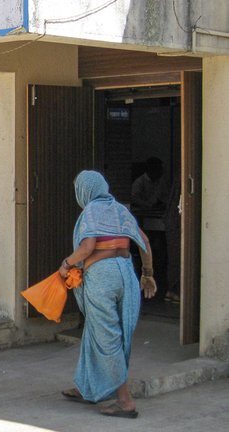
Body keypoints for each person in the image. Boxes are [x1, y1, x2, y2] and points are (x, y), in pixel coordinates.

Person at [60, 170, 157, 419]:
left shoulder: (91, 211)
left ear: (85, 191)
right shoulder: (120, 209)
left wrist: (67, 264)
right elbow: (144, 242)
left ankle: (125, 402)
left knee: (106, 337)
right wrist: (148, 274)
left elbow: (88, 247)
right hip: (126, 272)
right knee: (98, 331)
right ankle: (88, 387)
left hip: (102, 277)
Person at [131, 157, 169, 301]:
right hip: (142, 216)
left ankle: (155, 272)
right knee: (147, 243)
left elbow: (164, 197)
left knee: (158, 246)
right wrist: (147, 204)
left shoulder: (161, 181)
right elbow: (134, 198)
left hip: (156, 214)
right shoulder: (140, 182)